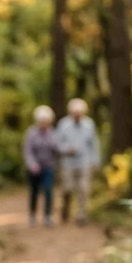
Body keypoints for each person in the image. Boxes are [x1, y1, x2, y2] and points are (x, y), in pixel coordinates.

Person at [56, 97, 101, 225]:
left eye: (79, 113)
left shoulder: (89, 125)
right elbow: (58, 143)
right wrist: (66, 149)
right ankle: (65, 210)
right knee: (67, 189)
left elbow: (94, 144)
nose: (77, 115)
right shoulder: (63, 124)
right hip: (67, 164)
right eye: (75, 113)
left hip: (84, 163)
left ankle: (81, 215)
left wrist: (95, 161)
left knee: (83, 189)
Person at [23, 105, 58, 227]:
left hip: (48, 167)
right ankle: (32, 215)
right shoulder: (31, 133)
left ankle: (47, 216)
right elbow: (28, 151)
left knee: (48, 190)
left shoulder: (53, 133)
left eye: (46, 122)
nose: (44, 124)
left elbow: (57, 149)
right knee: (34, 192)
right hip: (34, 169)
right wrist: (32, 165)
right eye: (42, 122)